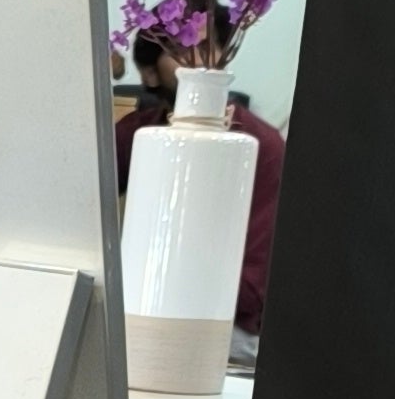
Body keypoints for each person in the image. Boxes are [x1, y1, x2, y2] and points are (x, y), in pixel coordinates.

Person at [112, 35, 287, 338]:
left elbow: (252, 289)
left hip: (223, 322)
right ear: (149, 73)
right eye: (181, 49)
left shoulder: (261, 146)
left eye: (207, 47)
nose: (200, 62)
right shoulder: (140, 132)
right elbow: (77, 195)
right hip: (139, 302)